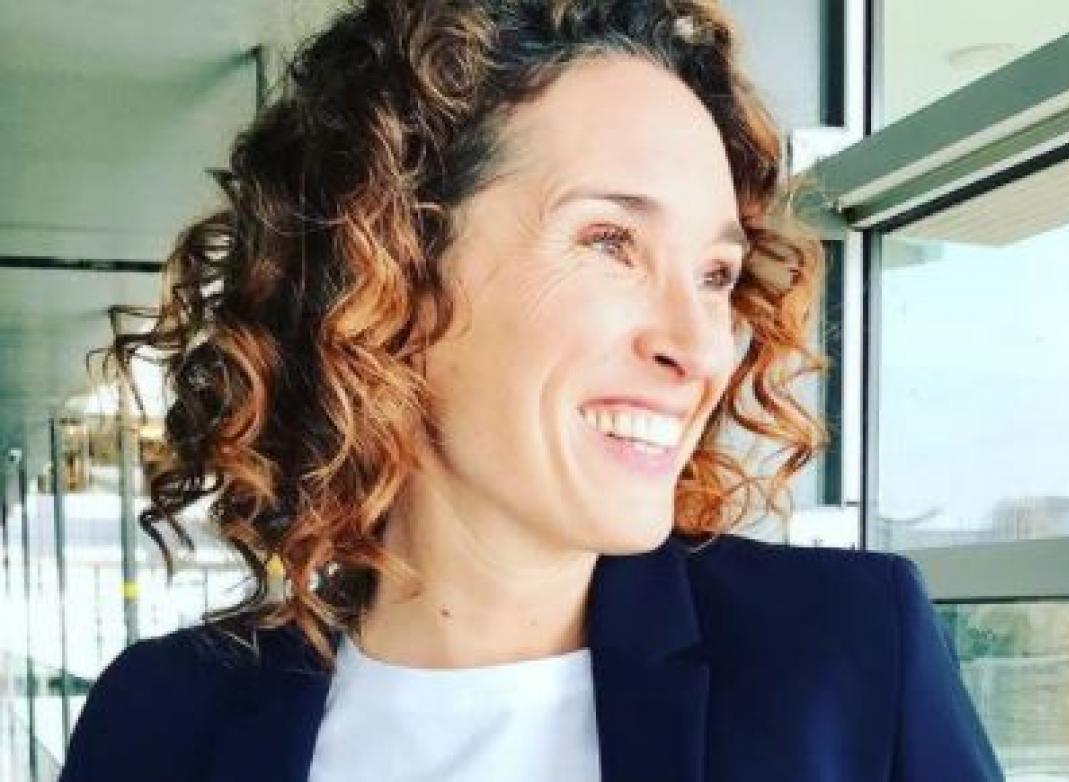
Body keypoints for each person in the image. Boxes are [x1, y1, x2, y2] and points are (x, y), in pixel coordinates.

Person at [61, 0, 1004, 780]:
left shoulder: (846, 658)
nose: (698, 348)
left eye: (715, 275)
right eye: (611, 242)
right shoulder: (159, 723)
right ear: (388, 269)